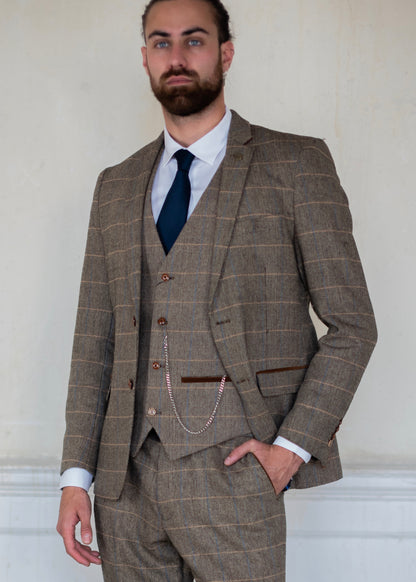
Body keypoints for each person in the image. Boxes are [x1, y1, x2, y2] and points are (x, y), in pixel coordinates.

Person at [56, 0, 377, 580]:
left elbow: (354, 326)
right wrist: (76, 475)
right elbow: (93, 342)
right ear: (146, 59)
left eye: (194, 40)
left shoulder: (295, 165)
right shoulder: (116, 185)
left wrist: (289, 452)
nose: (176, 57)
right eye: (161, 43)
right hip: (122, 489)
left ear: (225, 53)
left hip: (236, 474)